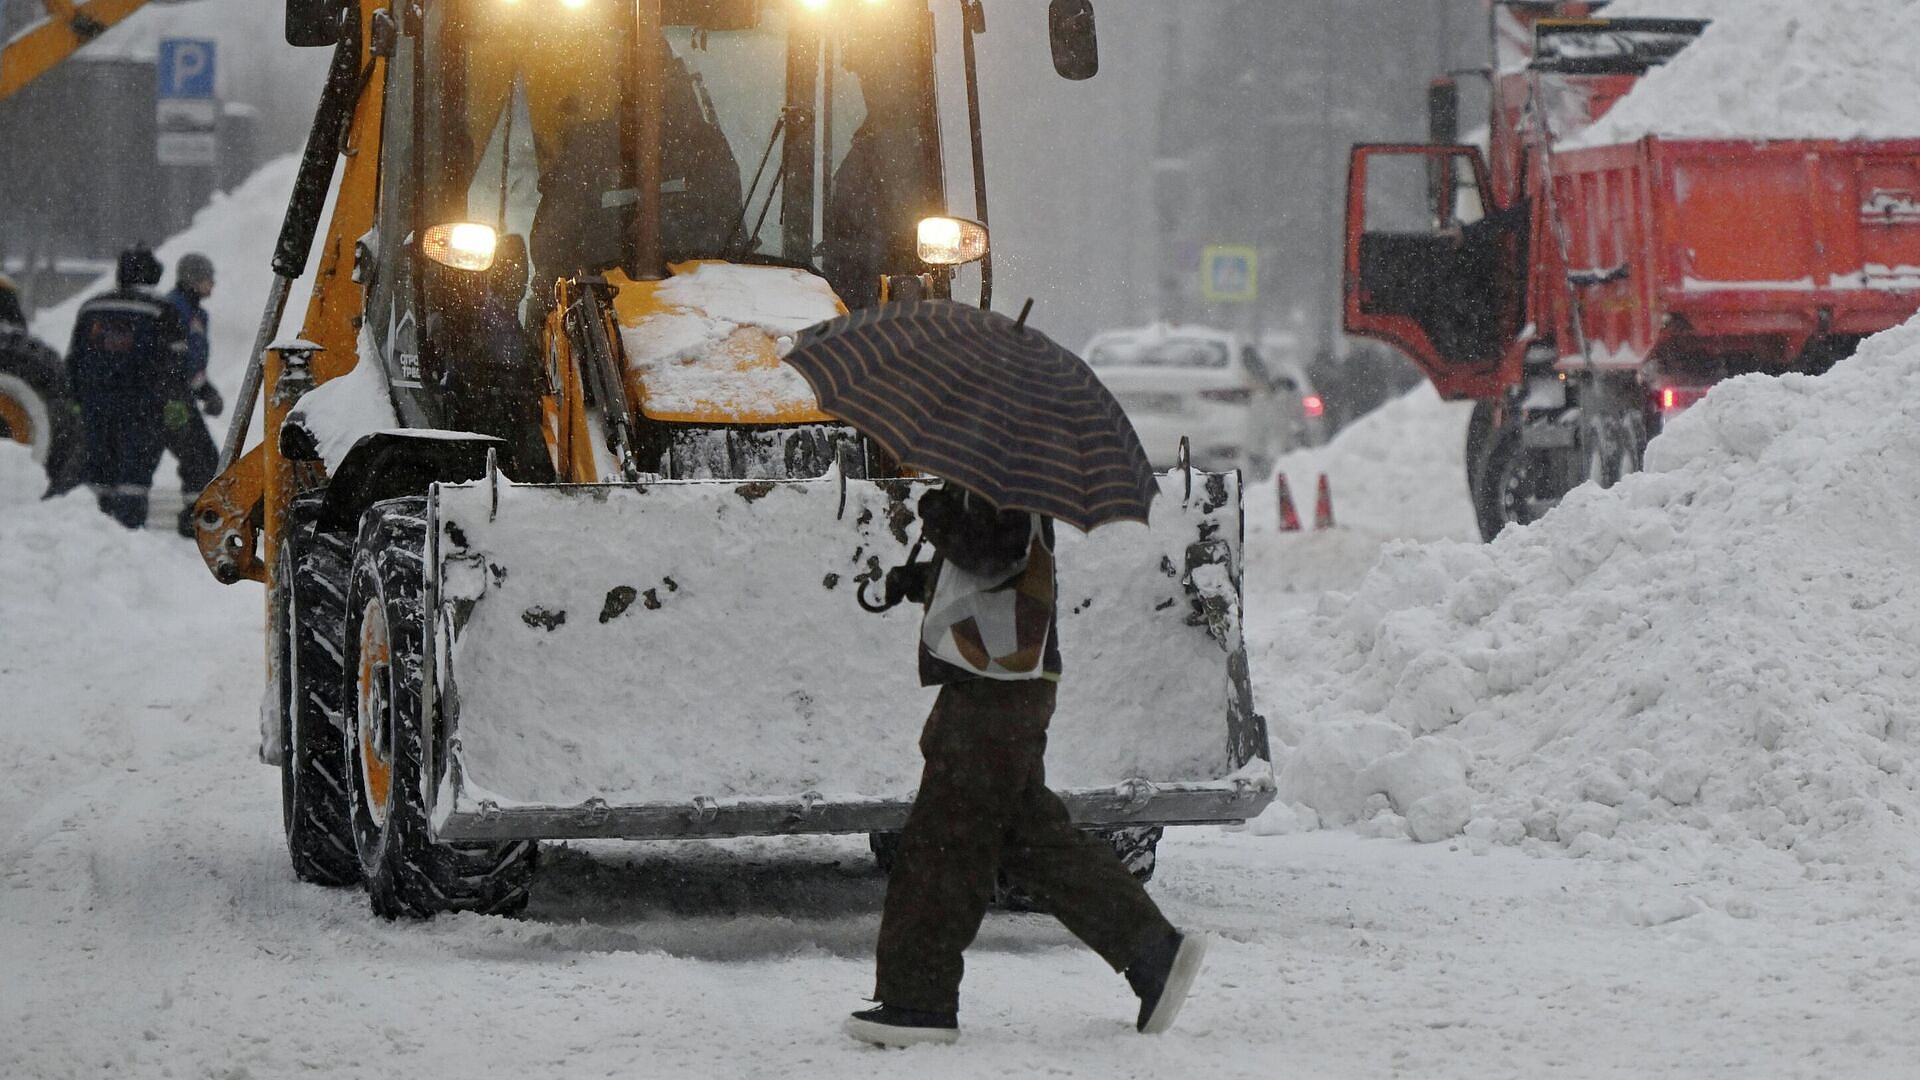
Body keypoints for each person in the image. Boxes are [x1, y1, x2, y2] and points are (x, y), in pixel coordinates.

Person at [847, 484, 1208, 1048]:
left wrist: (939, 518)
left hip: (998, 686)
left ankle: (918, 1000)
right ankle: (1152, 951)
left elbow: (1001, 550)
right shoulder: (991, 469)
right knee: (1025, 835)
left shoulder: (999, 475)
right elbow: (991, 571)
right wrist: (918, 580)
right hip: (1005, 682)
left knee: (946, 837)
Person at [66, 245, 187, 529]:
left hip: (94, 407)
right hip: (141, 408)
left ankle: (93, 532)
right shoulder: (162, 310)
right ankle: (128, 536)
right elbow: (175, 364)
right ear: (153, 274)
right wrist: (175, 400)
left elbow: (74, 359)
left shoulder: (91, 308)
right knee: (133, 477)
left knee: (97, 473)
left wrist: (73, 398)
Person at [162, 253, 224, 537]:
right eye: (207, 278)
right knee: (199, 456)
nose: (212, 284)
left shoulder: (199, 314)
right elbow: (171, 360)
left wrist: (206, 390)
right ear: (193, 279)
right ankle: (193, 518)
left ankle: (195, 513)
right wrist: (174, 392)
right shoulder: (172, 308)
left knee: (203, 456)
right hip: (169, 397)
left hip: (183, 394)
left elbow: (193, 363)